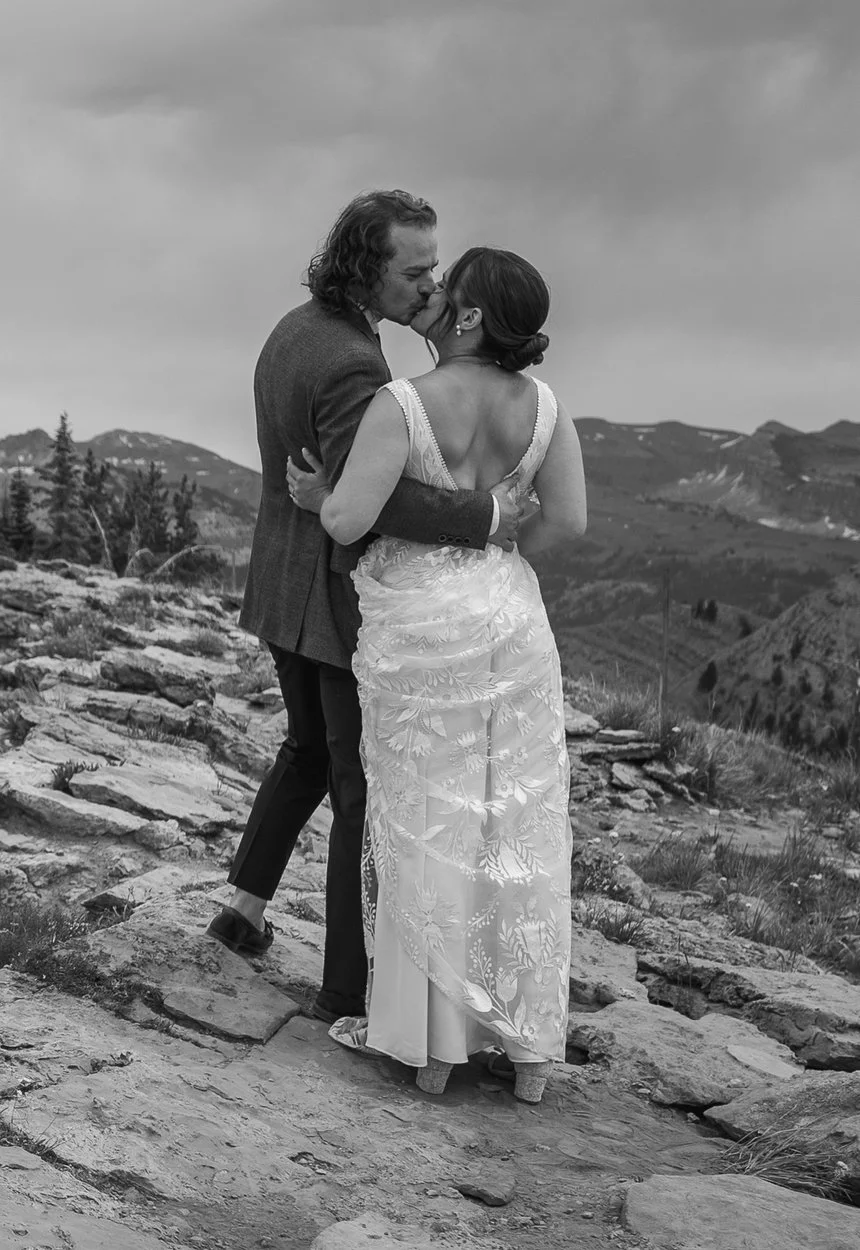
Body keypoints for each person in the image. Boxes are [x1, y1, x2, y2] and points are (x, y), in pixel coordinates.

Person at [211, 190, 529, 1026]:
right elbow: (371, 500)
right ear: (367, 266)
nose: (434, 286)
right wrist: (486, 517)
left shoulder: (297, 326)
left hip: (280, 582)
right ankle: (342, 994)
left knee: (308, 751)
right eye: (416, 270)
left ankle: (240, 908)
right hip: (327, 598)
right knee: (356, 785)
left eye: (435, 268)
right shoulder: (353, 361)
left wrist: (430, 338)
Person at [289, 245, 583, 1104]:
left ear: (469, 316)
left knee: (427, 824)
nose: (435, 296)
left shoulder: (403, 404)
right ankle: (527, 1054)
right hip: (511, 618)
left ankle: (434, 1047)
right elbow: (567, 521)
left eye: (447, 291)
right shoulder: (548, 408)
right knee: (516, 824)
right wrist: (501, 551)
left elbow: (347, 519)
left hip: (420, 624)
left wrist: (317, 500)